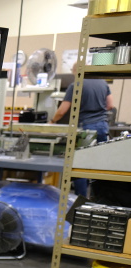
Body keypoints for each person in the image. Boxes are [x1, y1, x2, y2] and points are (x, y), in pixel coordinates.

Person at [49, 63, 113, 196]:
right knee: (98, 165)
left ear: (76, 71)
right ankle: (98, 198)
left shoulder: (76, 85)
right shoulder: (103, 83)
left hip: (86, 128)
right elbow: (110, 105)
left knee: (80, 164)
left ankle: (80, 199)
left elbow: (62, 110)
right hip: (102, 126)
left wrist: (51, 122)